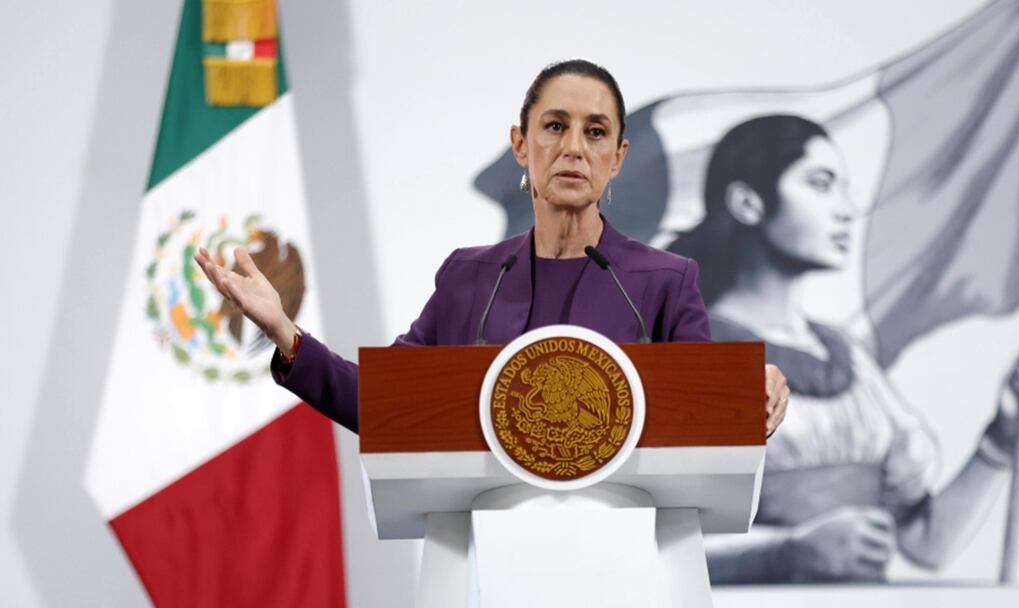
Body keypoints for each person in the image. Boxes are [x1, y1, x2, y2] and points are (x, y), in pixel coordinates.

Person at [193, 59, 791, 436]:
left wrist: (752, 392)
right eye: (555, 126)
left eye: (596, 132)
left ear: (619, 159)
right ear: (521, 146)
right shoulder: (469, 278)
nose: (574, 148)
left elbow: (703, 416)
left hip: (623, 561)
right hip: (487, 555)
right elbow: (382, 403)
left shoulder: (665, 280)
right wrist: (284, 332)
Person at [668, 114, 1019, 583]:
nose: (846, 209)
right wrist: (786, 553)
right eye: (821, 184)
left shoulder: (848, 358)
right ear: (748, 202)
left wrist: (1003, 435)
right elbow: (654, 547)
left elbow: (926, 544)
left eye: (844, 188)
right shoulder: (687, 351)